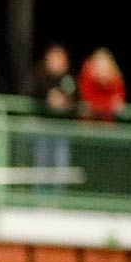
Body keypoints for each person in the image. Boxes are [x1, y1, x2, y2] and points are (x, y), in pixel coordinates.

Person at [32, 43, 77, 191]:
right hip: (43, 127)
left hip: (62, 129)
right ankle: (39, 196)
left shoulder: (69, 78)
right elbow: (31, 92)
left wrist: (66, 103)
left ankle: (58, 198)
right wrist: (48, 98)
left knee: (60, 164)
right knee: (41, 163)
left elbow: (78, 101)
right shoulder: (40, 75)